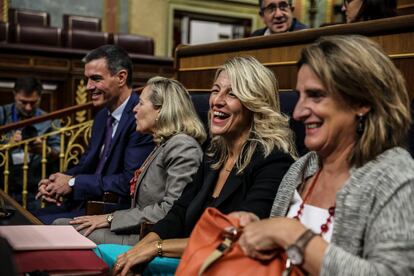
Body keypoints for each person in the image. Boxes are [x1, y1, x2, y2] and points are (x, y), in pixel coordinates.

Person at [233, 35, 414, 275]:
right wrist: (257, 231)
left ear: (362, 101)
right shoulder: (301, 168)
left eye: (316, 95)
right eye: (300, 96)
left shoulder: (396, 176)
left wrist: (290, 233)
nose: (297, 113)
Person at [109, 56, 296, 275]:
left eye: (232, 93)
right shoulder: (214, 154)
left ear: (254, 102)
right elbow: (177, 214)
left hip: (222, 264)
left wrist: (156, 248)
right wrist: (141, 248)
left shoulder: (273, 160)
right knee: (108, 254)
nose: (217, 100)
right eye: (216, 90)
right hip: (187, 256)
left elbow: (237, 237)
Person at [54, 76, 206, 245]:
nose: (134, 109)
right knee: (62, 226)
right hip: (138, 228)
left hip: (151, 239)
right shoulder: (164, 144)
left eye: (141, 103)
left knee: (62, 229)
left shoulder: (182, 146)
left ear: (161, 110)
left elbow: (171, 211)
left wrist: (110, 218)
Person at [35, 45, 154, 224]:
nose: (88, 87)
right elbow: (86, 165)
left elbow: (129, 181)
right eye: (87, 80)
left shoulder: (141, 117)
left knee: (33, 225)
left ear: (121, 77)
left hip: (110, 212)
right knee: (20, 216)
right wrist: (58, 180)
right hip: (83, 202)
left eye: (96, 79)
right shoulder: (100, 117)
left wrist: (73, 183)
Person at [0, 76, 60, 211]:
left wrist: (45, 150)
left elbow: (59, 152)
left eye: (33, 103)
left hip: (35, 191)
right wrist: (7, 144)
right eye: (23, 102)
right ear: (14, 95)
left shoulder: (50, 121)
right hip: (4, 188)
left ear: (40, 97)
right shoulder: (2, 114)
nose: (28, 108)